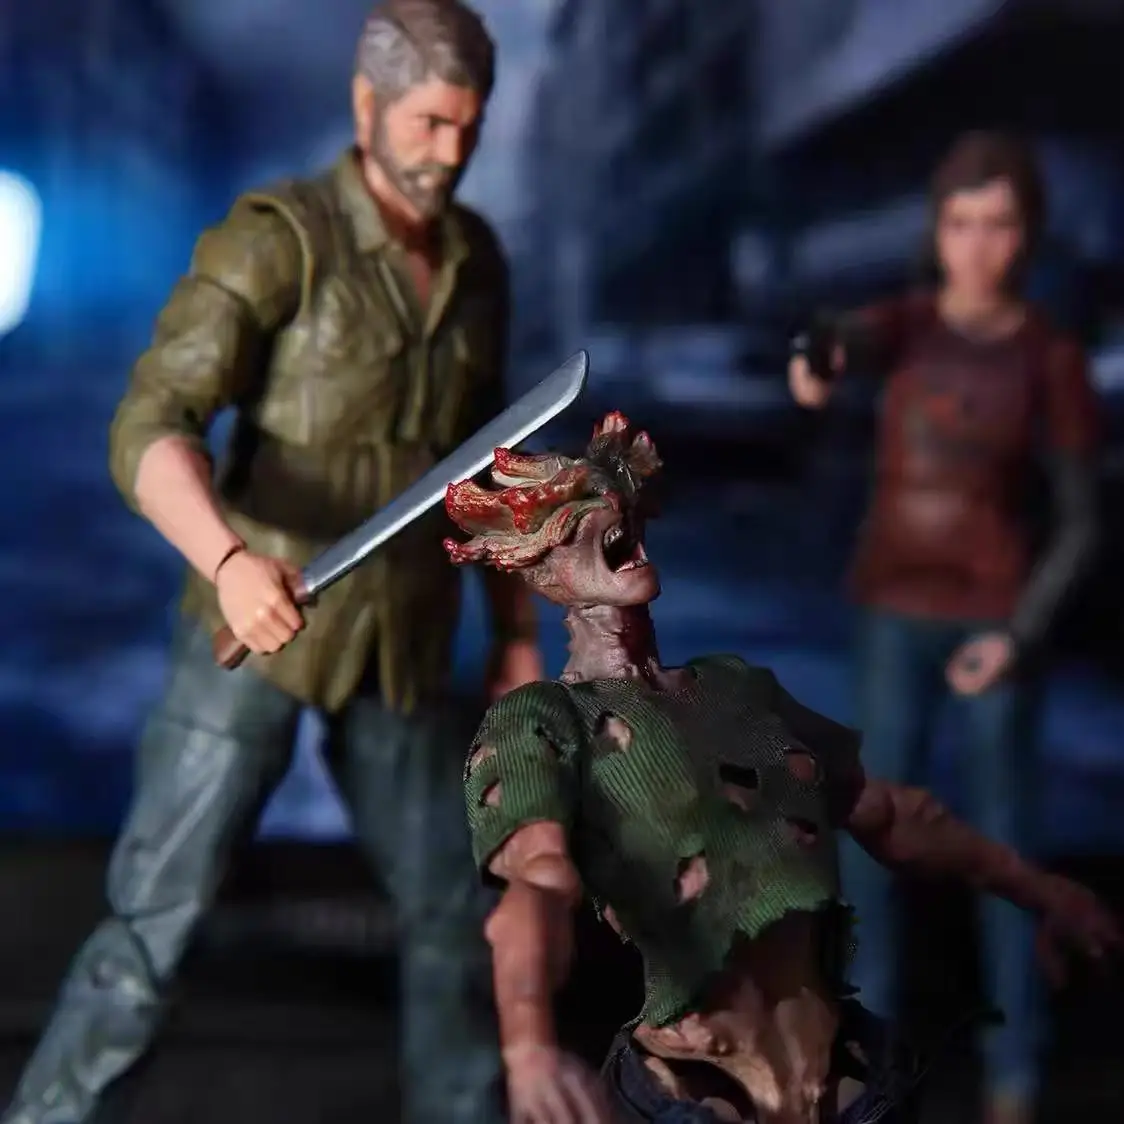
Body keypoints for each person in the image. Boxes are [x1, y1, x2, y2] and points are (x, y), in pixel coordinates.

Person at [2, 4, 541, 1123]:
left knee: (453, 913)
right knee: (152, 926)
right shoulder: (279, 238)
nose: (450, 150)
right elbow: (149, 425)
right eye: (430, 122)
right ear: (367, 102)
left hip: (403, 636)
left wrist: (516, 634)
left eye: (469, 125)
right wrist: (228, 558)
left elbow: (484, 464)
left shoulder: (476, 261)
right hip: (255, 623)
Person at [430, 410, 1118, 1124]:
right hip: (699, 1087)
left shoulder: (737, 688)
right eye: (584, 523)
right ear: (542, 566)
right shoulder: (545, 720)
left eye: (624, 513)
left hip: (850, 1085)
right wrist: (528, 1045)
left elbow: (888, 813)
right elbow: (535, 890)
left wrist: (1042, 891)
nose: (620, 524)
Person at [787, 132, 1101, 1124]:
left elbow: (1081, 520)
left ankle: (1014, 1076)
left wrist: (1021, 633)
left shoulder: (1048, 356)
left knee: (1002, 855)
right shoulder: (910, 323)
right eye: (960, 223)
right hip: (892, 610)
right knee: (873, 846)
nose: (977, 245)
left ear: (1025, 233)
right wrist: (813, 359)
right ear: (937, 230)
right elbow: (837, 334)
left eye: (997, 224)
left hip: (989, 623)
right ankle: (868, 1068)